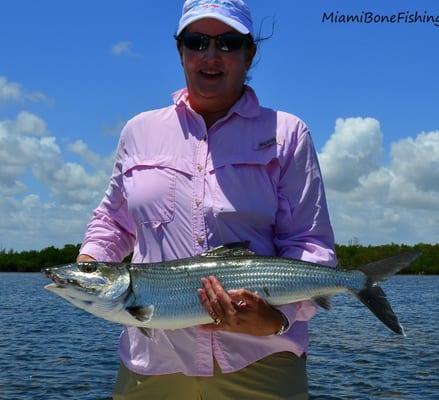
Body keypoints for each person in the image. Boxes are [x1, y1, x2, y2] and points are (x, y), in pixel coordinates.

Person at [77, 0, 336, 398]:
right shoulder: (138, 131)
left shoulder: (287, 133)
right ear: (180, 50)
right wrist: (89, 268)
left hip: (261, 361)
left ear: (250, 53)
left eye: (228, 43)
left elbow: (309, 244)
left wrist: (275, 320)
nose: (211, 56)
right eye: (196, 41)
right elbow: (113, 223)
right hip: (153, 362)